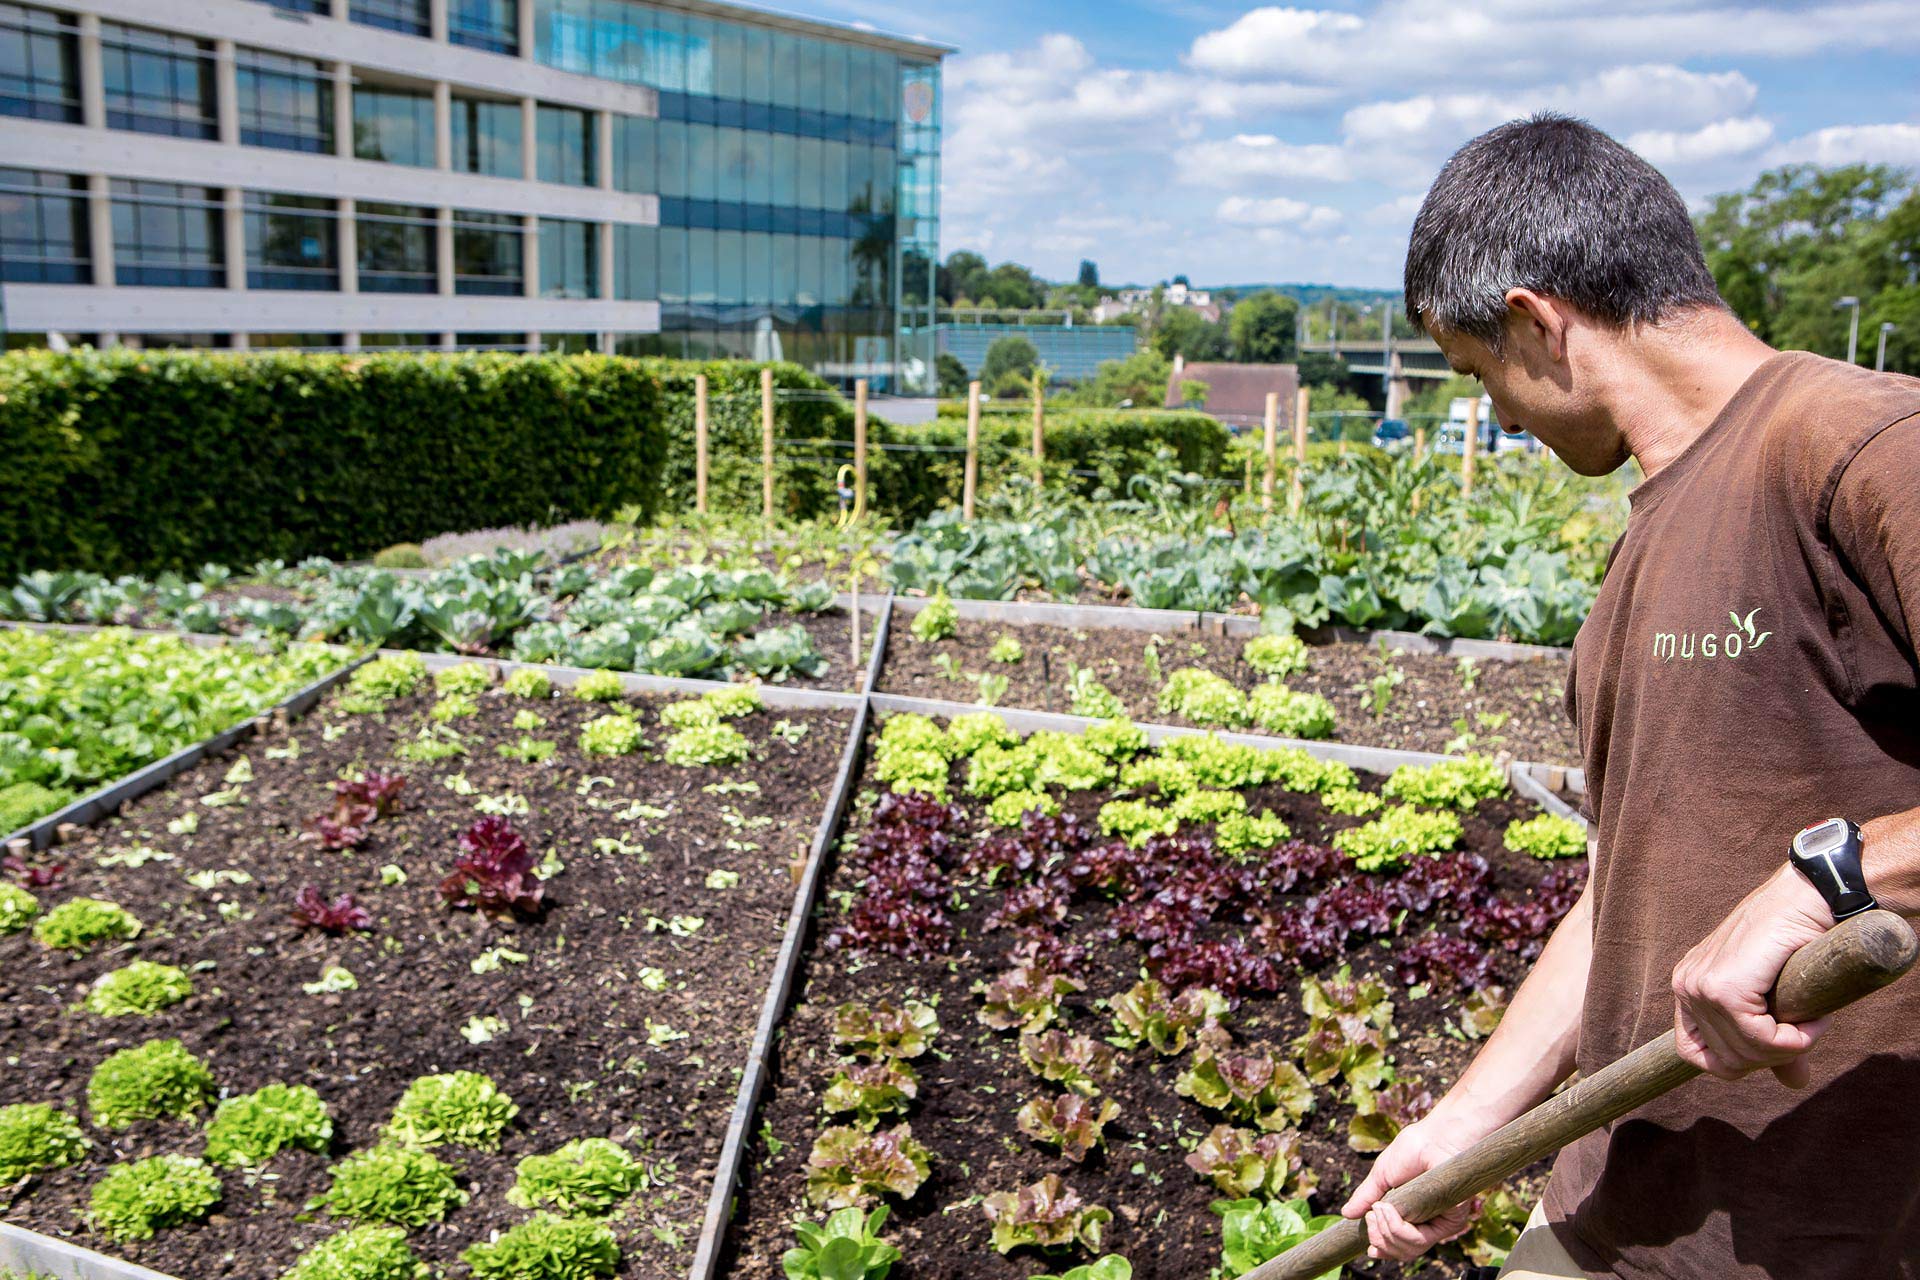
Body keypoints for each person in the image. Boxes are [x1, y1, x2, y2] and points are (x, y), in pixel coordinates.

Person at [1340, 113, 1920, 1279]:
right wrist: (1471, 1119)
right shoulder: (1653, 535)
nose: (1497, 416)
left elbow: (1823, 882)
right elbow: (1627, 878)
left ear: (1535, 321)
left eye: (1478, 374)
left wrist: (1838, 879)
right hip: (1618, 1204)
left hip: (1834, 1231)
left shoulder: (1859, 444)